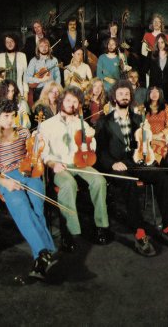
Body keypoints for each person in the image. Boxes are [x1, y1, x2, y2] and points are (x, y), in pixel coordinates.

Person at [96, 80, 168, 256]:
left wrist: (146, 151)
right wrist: (112, 163)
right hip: (116, 165)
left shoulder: (138, 119)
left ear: (131, 97)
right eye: (120, 94)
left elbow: (144, 143)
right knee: (129, 183)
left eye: (127, 94)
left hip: (136, 162)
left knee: (162, 177)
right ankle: (140, 233)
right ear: (114, 97)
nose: (124, 97)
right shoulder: (104, 121)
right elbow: (100, 151)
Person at [0, 100, 58, 278]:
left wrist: (37, 142)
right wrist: (6, 183)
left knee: (37, 209)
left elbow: (33, 154)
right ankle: (44, 251)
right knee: (21, 208)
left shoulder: (23, 132)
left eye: (13, 116)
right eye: (6, 116)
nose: (10, 120)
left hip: (30, 171)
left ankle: (41, 257)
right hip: (8, 177)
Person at [39, 86, 113, 251]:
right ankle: (69, 232)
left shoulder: (81, 123)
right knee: (68, 184)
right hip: (59, 166)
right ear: (61, 101)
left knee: (99, 181)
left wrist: (90, 142)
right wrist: (53, 164)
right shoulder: (47, 125)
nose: (71, 104)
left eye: (75, 101)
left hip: (80, 164)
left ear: (79, 105)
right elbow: (43, 153)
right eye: (68, 100)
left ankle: (101, 226)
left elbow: (91, 145)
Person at [0, 33, 28, 100]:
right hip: (2, 92)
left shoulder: (22, 56)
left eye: (12, 41)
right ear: (4, 44)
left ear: (16, 42)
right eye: (7, 42)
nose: (10, 44)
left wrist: (25, 92)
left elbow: (25, 76)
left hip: (18, 92)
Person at [148, 33, 168, 115]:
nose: (160, 45)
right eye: (158, 42)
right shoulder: (151, 55)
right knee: (157, 111)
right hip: (156, 88)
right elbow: (145, 70)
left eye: (162, 42)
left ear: (165, 42)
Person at [26, 37, 61, 107]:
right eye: (41, 46)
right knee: (40, 111)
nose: (44, 48)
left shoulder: (54, 60)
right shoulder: (33, 61)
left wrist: (56, 88)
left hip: (52, 90)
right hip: (39, 90)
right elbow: (28, 78)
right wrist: (40, 80)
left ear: (49, 47)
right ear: (38, 48)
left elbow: (57, 76)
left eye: (46, 46)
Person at [145, 86, 168, 163]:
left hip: (161, 137)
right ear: (148, 94)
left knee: (153, 158)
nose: (154, 93)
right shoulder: (144, 107)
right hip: (147, 137)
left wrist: (159, 135)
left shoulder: (165, 107)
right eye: (152, 91)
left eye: (157, 91)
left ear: (160, 93)